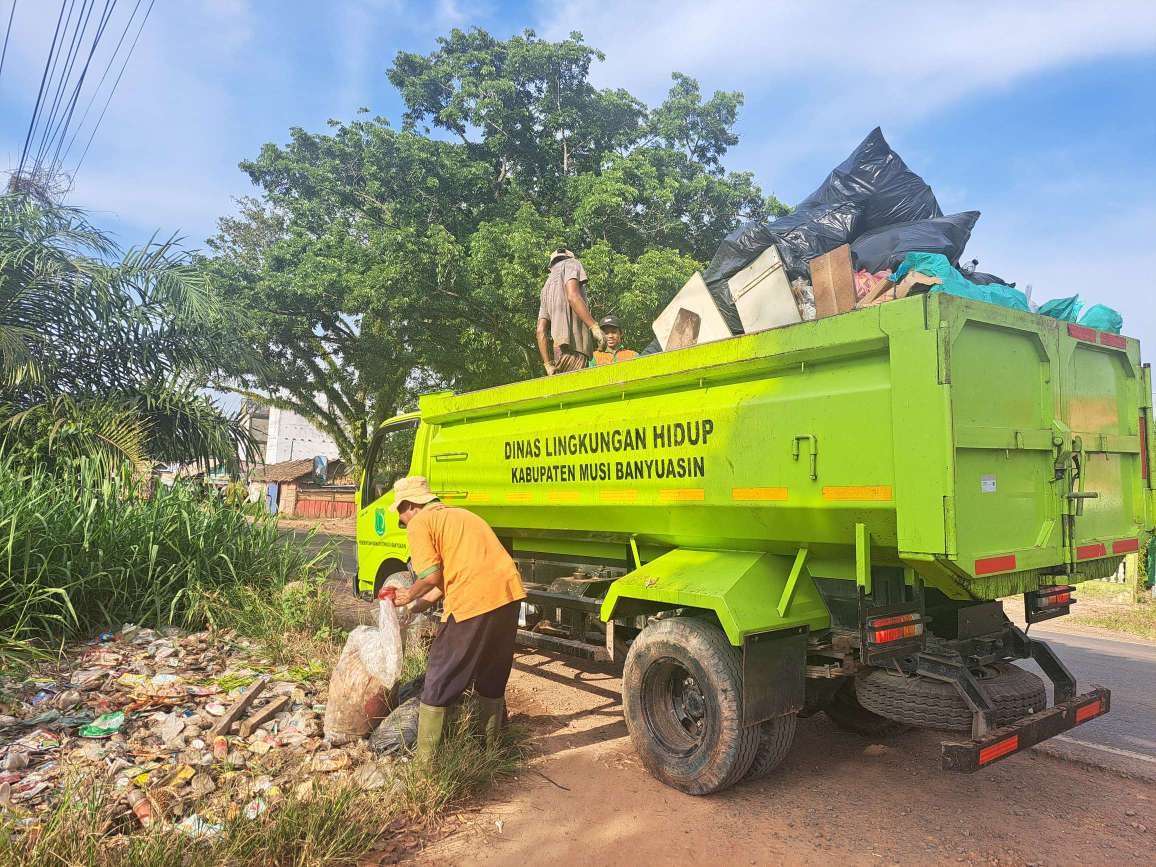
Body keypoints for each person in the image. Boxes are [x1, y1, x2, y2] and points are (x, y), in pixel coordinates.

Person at [388, 476, 526, 763]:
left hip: (473, 599)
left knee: (440, 674)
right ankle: (491, 752)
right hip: (508, 595)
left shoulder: (420, 523)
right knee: (492, 672)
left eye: (400, 513)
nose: (401, 521)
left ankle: (427, 767)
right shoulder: (461, 516)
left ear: (410, 505)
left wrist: (407, 594)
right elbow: (444, 582)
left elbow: (430, 576)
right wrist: (414, 607)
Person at [536, 248, 604, 375]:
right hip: (575, 346)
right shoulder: (572, 264)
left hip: (558, 350)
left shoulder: (546, 287)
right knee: (578, 385)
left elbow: (540, 331)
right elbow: (573, 296)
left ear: (551, 266)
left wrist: (548, 364)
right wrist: (594, 327)